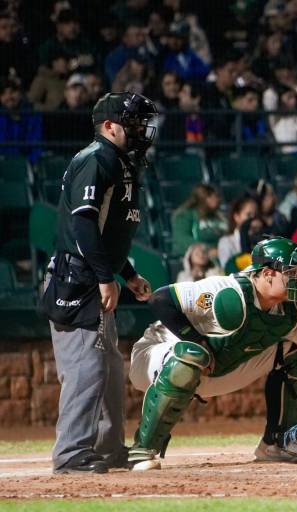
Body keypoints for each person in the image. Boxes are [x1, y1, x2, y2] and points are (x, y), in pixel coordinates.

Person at [127, 238, 297, 469]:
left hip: (218, 367)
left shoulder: (292, 312)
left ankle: (277, 443)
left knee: (294, 350)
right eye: (293, 272)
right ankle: (142, 450)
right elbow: (160, 300)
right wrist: (198, 340)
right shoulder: (229, 294)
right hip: (157, 355)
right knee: (193, 354)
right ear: (268, 274)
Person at [39, 92, 158, 474]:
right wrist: (107, 277)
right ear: (109, 126)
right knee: (85, 368)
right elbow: (84, 224)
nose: (141, 129)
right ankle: (71, 453)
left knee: (107, 366)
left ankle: (108, 450)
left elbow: (110, 234)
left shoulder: (120, 161)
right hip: (77, 280)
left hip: (95, 276)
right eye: (133, 123)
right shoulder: (96, 159)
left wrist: (128, 275)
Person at [171, 184, 228, 258]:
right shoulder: (185, 215)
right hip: (194, 259)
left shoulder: (221, 217)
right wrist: (208, 249)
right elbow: (182, 239)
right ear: (204, 198)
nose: (218, 199)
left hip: (221, 255)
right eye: (215, 196)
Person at [0, 78, 43, 163]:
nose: (9, 97)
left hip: (27, 166)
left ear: (21, 93)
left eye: (13, 91)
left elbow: (36, 147)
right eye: (3, 93)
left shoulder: (34, 116)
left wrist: (29, 163)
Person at [218, 195, 258, 269]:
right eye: (248, 215)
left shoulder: (260, 239)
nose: (252, 219)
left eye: (255, 216)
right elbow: (226, 268)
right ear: (236, 217)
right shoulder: (226, 242)